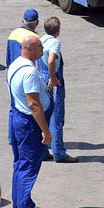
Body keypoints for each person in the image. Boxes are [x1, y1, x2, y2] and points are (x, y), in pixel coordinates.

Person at [7, 35, 53, 208]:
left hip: (18, 118)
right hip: (29, 123)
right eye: (40, 46)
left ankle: (20, 204)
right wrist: (45, 131)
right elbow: (34, 104)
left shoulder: (15, 64)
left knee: (20, 163)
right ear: (30, 48)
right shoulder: (29, 73)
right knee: (29, 164)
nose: (42, 49)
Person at [39, 16, 77, 163]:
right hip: (53, 85)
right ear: (58, 30)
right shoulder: (55, 42)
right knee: (56, 119)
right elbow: (51, 59)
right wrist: (53, 77)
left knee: (44, 118)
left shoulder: (41, 40)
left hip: (42, 81)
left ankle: (42, 152)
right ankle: (59, 153)